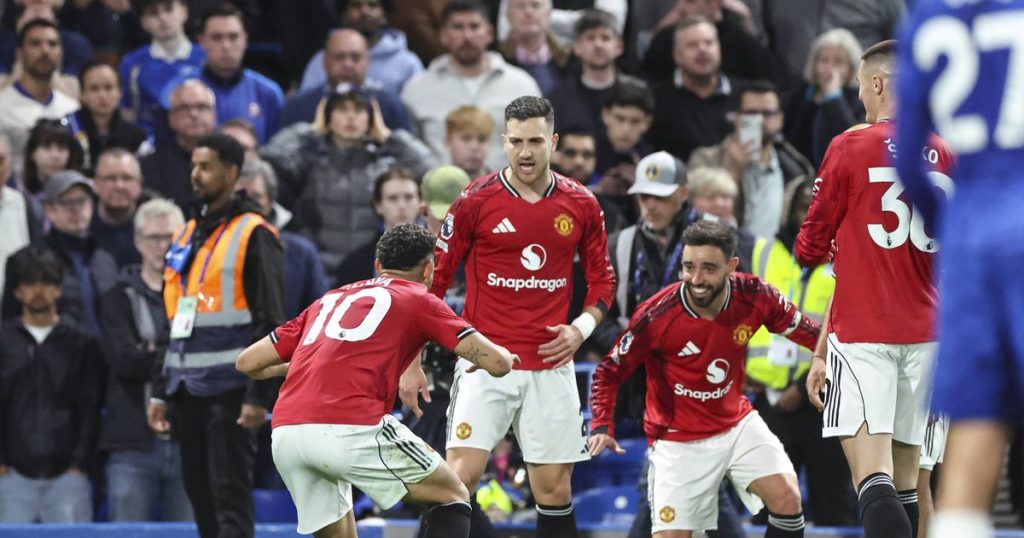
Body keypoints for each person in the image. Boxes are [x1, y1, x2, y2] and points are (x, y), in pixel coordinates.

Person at [401, 95, 615, 538]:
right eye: (516, 141)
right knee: (456, 482)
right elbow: (432, 284)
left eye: (535, 140)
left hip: (552, 366)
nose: (525, 152)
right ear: (504, 141)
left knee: (554, 490)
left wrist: (581, 329)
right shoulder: (474, 200)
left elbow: (603, 284)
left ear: (552, 141)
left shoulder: (581, 204)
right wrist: (412, 360)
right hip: (485, 362)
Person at [236, 223, 516, 538]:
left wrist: (298, 367)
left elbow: (247, 362)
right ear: (428, 271)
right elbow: (496, 362)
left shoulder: (328, 299)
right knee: (452, 495)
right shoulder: (419, 298)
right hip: (351, 427)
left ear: (378, 266)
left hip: (288, 436)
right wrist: (504, 358)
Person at [796, 40, 954, 538]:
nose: (860, 94)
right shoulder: (947, 152)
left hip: (866, 336)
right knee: (910, 484)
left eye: (862, 85)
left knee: (872, 480)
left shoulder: (849, 146)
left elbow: (807, 246)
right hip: (931, 335)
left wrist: (835, 242)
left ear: (879, 84)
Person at [589, 219, 813, 537]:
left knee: (788, 497)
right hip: (677, 441)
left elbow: (809, 332)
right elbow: (609, 370)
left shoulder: (756, 296)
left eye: (708, 268)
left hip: (736, 425)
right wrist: (601, 424)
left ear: (732, 266)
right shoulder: (655, 315)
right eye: (688, 267)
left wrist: (832, 352)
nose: (696, 279)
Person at [893, 2, 1023, 537]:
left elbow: (907, 160)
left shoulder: (926, 21)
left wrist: (953, 229)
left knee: (975, 420)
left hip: (970, 233)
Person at [598, 152, 748, 538]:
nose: (650, 205)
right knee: (690, 487)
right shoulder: (619, 245)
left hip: (702, 384)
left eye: (660, 196)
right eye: (644, 195)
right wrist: (635, 344)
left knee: (673, 484)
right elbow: (594, 313)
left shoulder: (718, 245)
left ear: (684, 194)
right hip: (645, 388)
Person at [147, 133, 285, 538]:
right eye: (193, 166)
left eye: (205, 167)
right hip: (186, 388)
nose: (196, 175)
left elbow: (272, 321)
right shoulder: (188, 232)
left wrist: (258, 397)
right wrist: (159, 389)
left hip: (231, 389)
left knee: (230, 495)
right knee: (200, 495)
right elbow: (173, 317)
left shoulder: (255, 233)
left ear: (232, 172)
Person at [745, 178, 857, 527]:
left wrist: (799, 386)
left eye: (817, 206)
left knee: (832, 502)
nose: (809, 214)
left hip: (827, 400)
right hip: (768, 400)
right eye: (802, 206)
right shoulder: (763, 250)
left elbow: (850, 326)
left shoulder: (851, 253)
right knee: (768, 506)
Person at [261, 89, 436, 273]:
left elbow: (433, 174)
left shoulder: (384, 165)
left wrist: (388, 136)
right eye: (342, 109)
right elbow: (268, 163)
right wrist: (311, 130)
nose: (351, 117)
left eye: (359, 110)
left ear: (371, 118)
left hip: (369, 267)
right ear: (328, 116)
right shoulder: (307, 162)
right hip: (319, 270)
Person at [98, 198, 192, 522]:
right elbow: (123, 361)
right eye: (154, 237)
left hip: (187, 438)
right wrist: (173, 354)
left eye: (171, 237)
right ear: (138, 242)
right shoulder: (116, 297)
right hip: (132, 443)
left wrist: (149, 348)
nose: (163, 245)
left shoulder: (198, 294)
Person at [0, 244, 101, 522]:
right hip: (11, 477)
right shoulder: (4, 341)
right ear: (17, 290)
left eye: (45, 282)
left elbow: (91, 406)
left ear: (58, 288)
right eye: (29, 283)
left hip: (68, 477)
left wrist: (80, 464)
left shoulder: (81, 343)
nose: (38, 291)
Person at [400, 0, 542, 172]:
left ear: (489, 33)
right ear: (443, 35)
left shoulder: (522, 86)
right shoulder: (417, 89)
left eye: (474, 27)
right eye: (458, 27)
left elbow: (538, 147)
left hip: (510, 193)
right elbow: (407, 155)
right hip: (440, 194)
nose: (467, 36)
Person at [688, 80, 815, 240]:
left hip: (775, 261)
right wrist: (732, 169)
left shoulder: (797, 170)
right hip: (726, 258)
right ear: (737, 117)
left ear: (780, 119)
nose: (760, 120)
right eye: (751, 113)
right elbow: (696, 217)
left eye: (767, 113)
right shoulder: (705, 159)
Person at [3, 170, 119, 338]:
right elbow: (10, 326)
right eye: (66, 202)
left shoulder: (105, 260)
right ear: (49, 210)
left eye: (82, 201)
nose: (76, 210)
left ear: (92, 206)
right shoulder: (25, 261)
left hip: (104, 358)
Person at [235, 157, 330, 320]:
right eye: (240, 196)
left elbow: (320, 312)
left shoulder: (300, 251)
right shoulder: (210, 245)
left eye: (256, 197)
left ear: (270, 201)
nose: (247, 204)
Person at [280, 29, 411, 131]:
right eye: (339, 57)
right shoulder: (298, 105)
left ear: (368, 61)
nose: (348, 64)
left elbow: (411, 160)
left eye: (355, 57)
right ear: (325, 61)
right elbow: (279, 156)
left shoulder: (390, 105)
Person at [647, 15, 737, 162]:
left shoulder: (744, 95)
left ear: (719, 48)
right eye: (692, 45)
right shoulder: (656, 99)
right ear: (677, 55)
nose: (702, 50)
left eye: (709, 43)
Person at [190, 3, 284, 144]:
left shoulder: (268, 93)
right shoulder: (185, 93)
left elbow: (276, 150)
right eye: (217, 38)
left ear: (245, 40)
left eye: (233, 37)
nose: (226, 46)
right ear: (201, 41)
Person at [0, 18, 79, 178]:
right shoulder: (2, 107)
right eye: (35, 43)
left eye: (52, 44)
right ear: (20, 53)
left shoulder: (72, 108)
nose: (45, 50)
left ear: (61, 52)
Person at [300, 0, 425, 97]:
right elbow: (307, 103)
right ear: (343, 14)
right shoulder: (321, 60)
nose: (364, 12)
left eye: (372, 5)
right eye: (356, 5)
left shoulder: (407, 64)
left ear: (384, 13)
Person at [117, 0, 205, 138]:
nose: (162, 18)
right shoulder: (132, 63)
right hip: (150, 143)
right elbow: (128, 112)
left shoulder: (205, 58)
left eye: (169, 9)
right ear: (144, 22)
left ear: (184, 12)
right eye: (154, 13)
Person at [546, 9, 639, 134]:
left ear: (619, 47)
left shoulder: (637, 95)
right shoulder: (558, 99)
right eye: (590, 38)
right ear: (577, 47)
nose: (598, 45)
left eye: (605, 38)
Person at [783, 28, 864, 168]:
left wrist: (834, 96)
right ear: (814, 64)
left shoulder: (860, 99)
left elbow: (852, 143)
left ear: (852, 68)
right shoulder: (801, 94)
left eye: (838, 62)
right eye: (824, 60)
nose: (829, 68)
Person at [335, 166, 423, 286]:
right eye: (393, 198)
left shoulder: (440, 255)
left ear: (420, 203)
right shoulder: (354, 264)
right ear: (378, 206)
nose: (402, 205)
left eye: (409, 197)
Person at [141, 79, 216, 209]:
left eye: (201, 107)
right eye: (184, 108)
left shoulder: (228, 162)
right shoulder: (147, 168)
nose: (194, 114)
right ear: (170, 117)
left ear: (214, 116)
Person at [66, 59, 148, 174]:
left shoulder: (136, 136)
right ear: (82, 95)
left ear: (119, 93)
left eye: (109, 88)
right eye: (94, 89)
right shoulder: (68, 129)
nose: (102, 96)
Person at [498, 0, 571, 95]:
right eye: (520, 6)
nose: (528, 12)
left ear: (549, 14)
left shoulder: (571, 61)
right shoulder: (495, 61)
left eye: (535, 6)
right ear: (508, 15)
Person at [90, 148, 146, 268]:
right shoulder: (81, 224)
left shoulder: (156, 223)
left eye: (127, 178)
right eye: (110, 178)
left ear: (140, 183)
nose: (119, 186)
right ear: (96, 183)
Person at [444, 105, 494, 180]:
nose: (475, 147)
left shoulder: (503, 186)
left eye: (482, 139)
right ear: (448, 142)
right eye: (466, 139)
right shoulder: (433, 186)